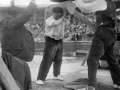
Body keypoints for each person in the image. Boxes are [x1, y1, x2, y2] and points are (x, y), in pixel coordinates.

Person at [66, 0, 120, 90]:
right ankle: (118, 82)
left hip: (103, 32)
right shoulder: (112, 3)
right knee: (111, 58)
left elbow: (85, 8)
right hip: (112, 32)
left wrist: (77, 1)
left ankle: (91, 86)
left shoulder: (102, 2)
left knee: (92, 58)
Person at [36, 7, 70, 85]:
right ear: (53, 13)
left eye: (59, 15)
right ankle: (40, 78)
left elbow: (68, 22)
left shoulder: (61, 19)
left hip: (60, 40)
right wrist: (62, 17)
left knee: (58, 59)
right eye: (56, 15)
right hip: (50, 41)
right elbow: (55, 23)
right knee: (47, 60)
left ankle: (56, 74)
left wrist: (66, 16)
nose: (57, 17)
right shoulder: (49, 20)